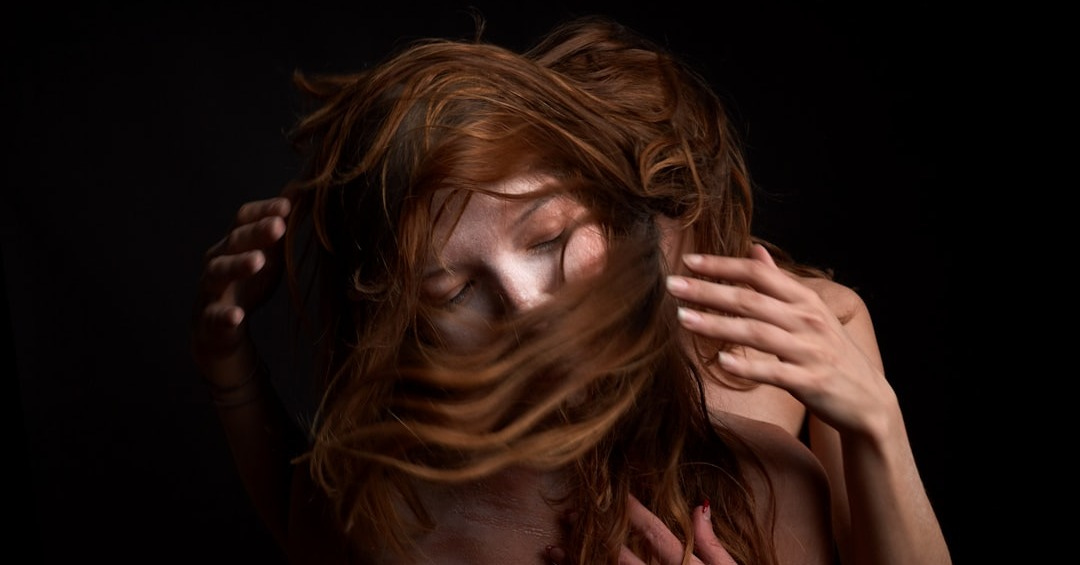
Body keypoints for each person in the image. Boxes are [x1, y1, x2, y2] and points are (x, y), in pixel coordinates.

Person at [191, 15, 950, 565]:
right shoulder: (392, 500)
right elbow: (321, 524)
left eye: (551, 239)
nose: (528, 307)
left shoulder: (773, 442)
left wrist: (878, 418)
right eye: (454, 289)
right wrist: (232, 371)